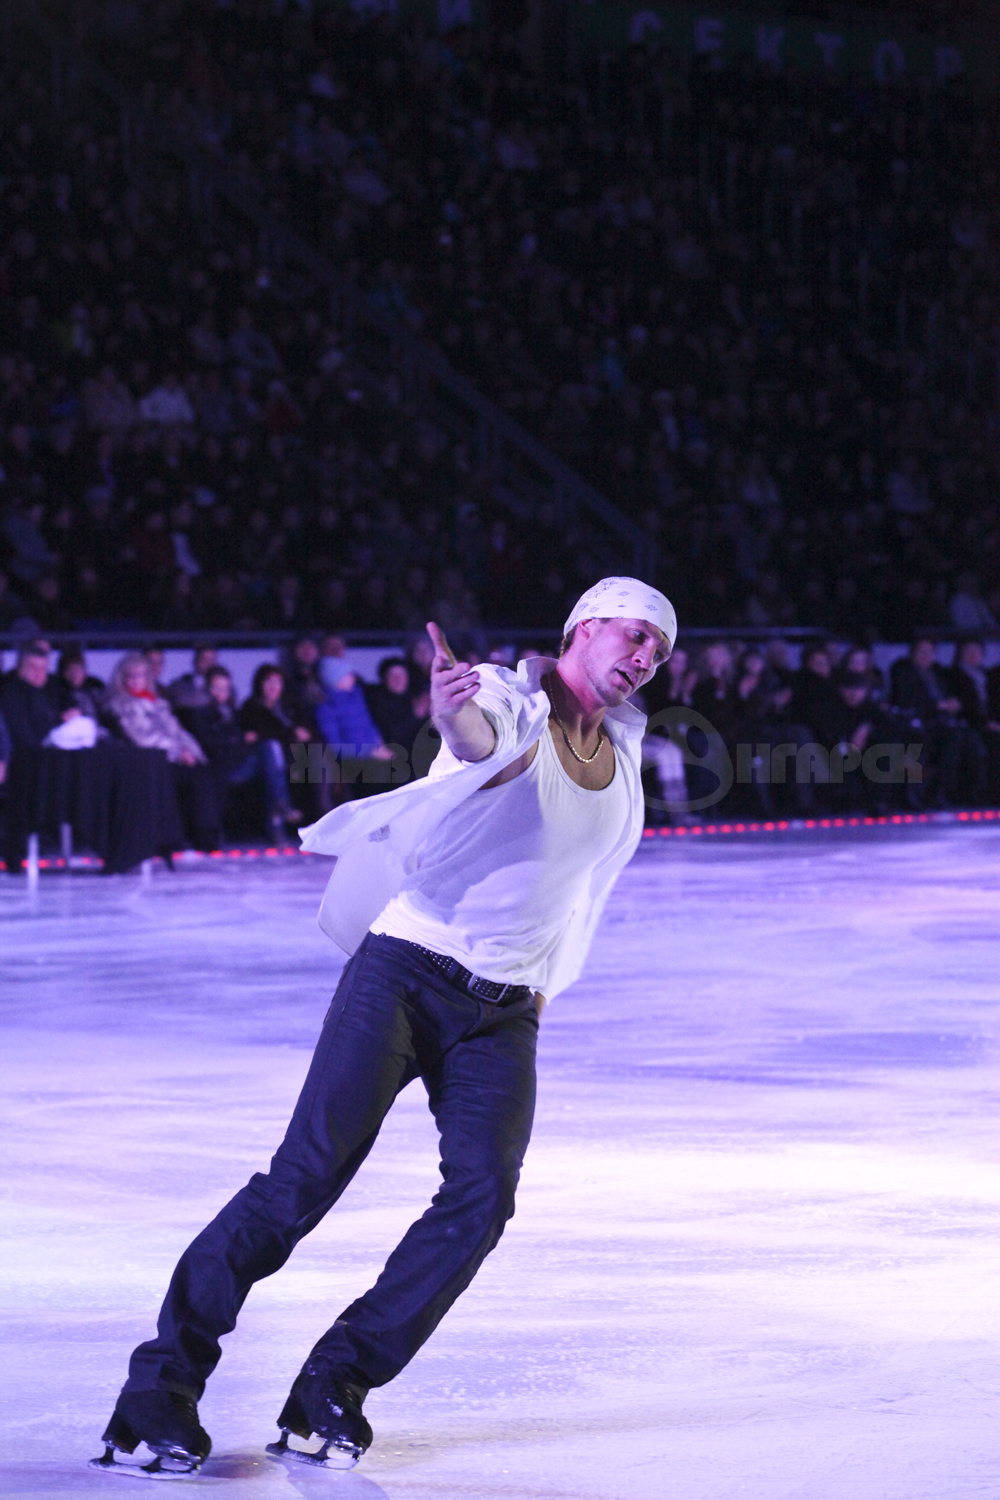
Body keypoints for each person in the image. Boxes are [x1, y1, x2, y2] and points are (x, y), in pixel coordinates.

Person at [92, 576, 676, 1478]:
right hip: (405, 972)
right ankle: (156, 1393)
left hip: (504, 1011)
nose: (645, 658)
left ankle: (333, 1383)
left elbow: (582, 894)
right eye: (634, 635)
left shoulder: (624, 752)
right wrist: (449, 711)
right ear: (584, 627)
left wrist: (540, 995)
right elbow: (474, 735)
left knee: (481, 1201)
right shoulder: (508, 699)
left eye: (659, 650)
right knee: (300, 1185)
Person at [103, 653, 221, 849]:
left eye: (141, 675)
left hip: (170, 756)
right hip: (148, 761)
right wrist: (178, 752)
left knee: (205, 771)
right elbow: (142, 738)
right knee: (194, 777)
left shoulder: (156, 702)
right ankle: (197, 836)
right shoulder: (122, 705)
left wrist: (190, 750)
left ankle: (206, 833)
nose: (136, 680)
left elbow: (177, 731)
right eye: (131, 675)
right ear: (122, 678)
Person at [0, 640, 74, 872]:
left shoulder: (44, 694)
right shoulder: (12, 693)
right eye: (33, 668)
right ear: (20, 668)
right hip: (21, 762)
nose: (38, 674)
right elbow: (22, 736)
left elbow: (46, 728)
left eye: (43, 668)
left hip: (43, 759)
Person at [237, 664, 312, 837]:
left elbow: (307, 726)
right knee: (271, 750)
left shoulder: (290, 703)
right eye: (268, 682)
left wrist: (302, 731)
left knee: (276, 767)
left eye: (277, 682)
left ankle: (280, 815)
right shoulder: (251, 706)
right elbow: (262, 733)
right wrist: (292, 733)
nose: (273, 686)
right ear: (259, 684)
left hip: (292, 756)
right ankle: (282, 806)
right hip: (260, 759)